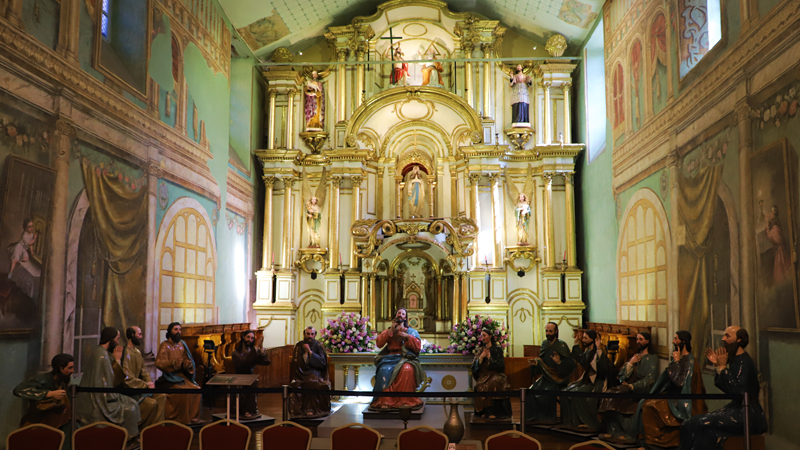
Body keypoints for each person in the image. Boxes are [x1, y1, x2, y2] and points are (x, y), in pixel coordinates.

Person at [680, 327, 768, 449]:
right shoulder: (735, 360)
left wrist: (722, 368)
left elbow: (737, 391)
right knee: (688, 423)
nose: (723, 339)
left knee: (704, 424)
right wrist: (719, 366)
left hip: (748, 414)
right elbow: (725, 386)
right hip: (736, 409)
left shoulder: (745, 363)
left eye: (727, 336)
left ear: (739, 339)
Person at [76, 327, 140, 446]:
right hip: (98, 400)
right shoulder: (101, 355)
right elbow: (104, 385)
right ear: (110, 339)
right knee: (130, 408)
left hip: (105, 394)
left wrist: (117, 360)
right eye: (116, 339)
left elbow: (113, 380)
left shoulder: (103, 353)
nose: (117, 342)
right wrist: (116, 360)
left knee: (133, 402)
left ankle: (132, 438)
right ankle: (128, 441)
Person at [639, 331, 699, 449]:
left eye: (676, 339)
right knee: (644, 402)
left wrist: (676, 362)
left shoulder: (689, 360)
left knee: (649, 406)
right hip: (671, 395)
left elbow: (680, 382)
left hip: (680, 399)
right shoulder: (681, 357)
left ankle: (656, 442)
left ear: (683, 342)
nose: (673, 341)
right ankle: (652, 440)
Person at [598, 332, 659, 444]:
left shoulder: (652, 358)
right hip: (628, 388)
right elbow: (621, 376)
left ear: (648, 341)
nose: (638, 342)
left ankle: (626, 433)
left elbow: (650, 380)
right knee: (609, 395)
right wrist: (631, 363)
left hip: (641, 391)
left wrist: (632, 386)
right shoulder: (635, 357)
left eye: (641, 339)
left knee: (616, 397)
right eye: (637, 339)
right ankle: (612, 430)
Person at [370, 308, 426, 410]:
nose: (400, 315)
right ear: (395, 316)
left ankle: (406, 400)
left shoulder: (411, 331)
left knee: (407, 369)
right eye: (398, 313)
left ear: (406, 317)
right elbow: (379, 343)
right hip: (390, 358)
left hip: (405, 358)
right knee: (384, 370)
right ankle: (384, 401)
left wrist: (408, 337)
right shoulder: (389, 331)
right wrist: (389, 332)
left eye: (403, 313)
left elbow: (417, 346)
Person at [559, 329, 613, 432]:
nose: (583, 340)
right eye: (583, 337)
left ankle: (586, 422)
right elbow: (582, 359)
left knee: (577, 393)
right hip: (586, 380)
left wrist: (599, 349)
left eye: (585, 338)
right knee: (565, 392)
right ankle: (570, 421)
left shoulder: (599, 352)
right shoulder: (588, 351)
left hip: (596, 382)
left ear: (593, 340)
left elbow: (603, 368)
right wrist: (575, 345)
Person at [525, 322, 576, 424]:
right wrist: (536, 363)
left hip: (558, 377)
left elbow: (571, 365)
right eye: (547, 331)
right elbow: (542, 362)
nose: (548, 333)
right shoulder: (544, 344)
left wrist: (559, 363)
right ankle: (535, 418)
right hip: (546, 376)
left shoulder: (562, 345)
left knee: (546, 392)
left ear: (556, 331)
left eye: (550, 331)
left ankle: (547, 418)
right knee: (530, 391)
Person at [155, 322, 203, 424]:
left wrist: (187, 364)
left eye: (180, 330)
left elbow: (187, 359)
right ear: (170, 331)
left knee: (197, 389)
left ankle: (193, 417)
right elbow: (159, 363)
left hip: (182, 377)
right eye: (175, 329)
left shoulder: (182, 344)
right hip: (170, 377)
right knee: (184, 392)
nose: (178, 332)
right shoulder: (165, 346)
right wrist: (172, 363)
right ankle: (181, 419)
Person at [13, 353, 74, 432]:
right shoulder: (43, 379)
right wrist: (49, 394)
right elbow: (19, 390)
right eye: (70, 368)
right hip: (38, 422)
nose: (72, 371)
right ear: (61, 368)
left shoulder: (63, 382)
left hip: (55, 421)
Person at [121, 326, 166, 428]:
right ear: (132, 335)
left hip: (141, 388)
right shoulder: (125, 352)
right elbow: (127, 378)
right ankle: (143, 429)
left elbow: (144, 372)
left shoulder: (137, 352)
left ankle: (158, 428)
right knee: (151, 403)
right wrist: (145, 385)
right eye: (139, 334)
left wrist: (150, 382)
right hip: (131, 391)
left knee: (162, 397)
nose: (141, 337)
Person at [288, 326, 331, 418]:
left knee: (312, 382)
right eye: (308, 334)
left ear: (315, 335)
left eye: (312, 334)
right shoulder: (299, 345)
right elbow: (295, 362)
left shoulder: (319, 345)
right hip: (301, 372)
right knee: (297, 385)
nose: (310, 336)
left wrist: (311, 352)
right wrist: (305, 356)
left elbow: (322, 363)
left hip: (316, 372)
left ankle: (311, 409)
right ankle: (300, 411)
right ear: (304, 334)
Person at [472, 329, 512, 420]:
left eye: (484, 335)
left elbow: (501, 366)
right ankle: (484, 411)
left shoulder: (497, 349)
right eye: (481, 336)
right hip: (485, 375)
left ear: (490, 336)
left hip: (497, 374)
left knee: (495, 382)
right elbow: (474, 366)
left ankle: (494, 412)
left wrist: (490, 358)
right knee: (481, 385)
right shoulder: (480, 350)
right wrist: (481, 358)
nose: (483, 338)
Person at [231, 329, 271, 420]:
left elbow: (266, 362)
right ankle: (245, 410)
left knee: (253, 383)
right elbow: (245, 363)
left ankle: (250, 410)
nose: (250, 340)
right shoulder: (236, 353)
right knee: (249, 385)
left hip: (250, 377)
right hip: (239, 377)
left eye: (252, 338)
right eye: (248, 337)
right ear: (243, 338)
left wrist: (262, 349)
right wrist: (256, 347)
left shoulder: (253, 352)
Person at [6, 218, 41, 299]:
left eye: (32, 226)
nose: (31, 228)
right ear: (26, 228)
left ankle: (18, 262)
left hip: (24, 249)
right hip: (19, 247)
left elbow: (30, 245)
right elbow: (30, 242)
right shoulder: (25, 234)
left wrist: (31, 251)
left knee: (25, 259)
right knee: (14, 260)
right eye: (29, 227)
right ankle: (10, 273)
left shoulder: (31, 234)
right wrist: (35, 238)